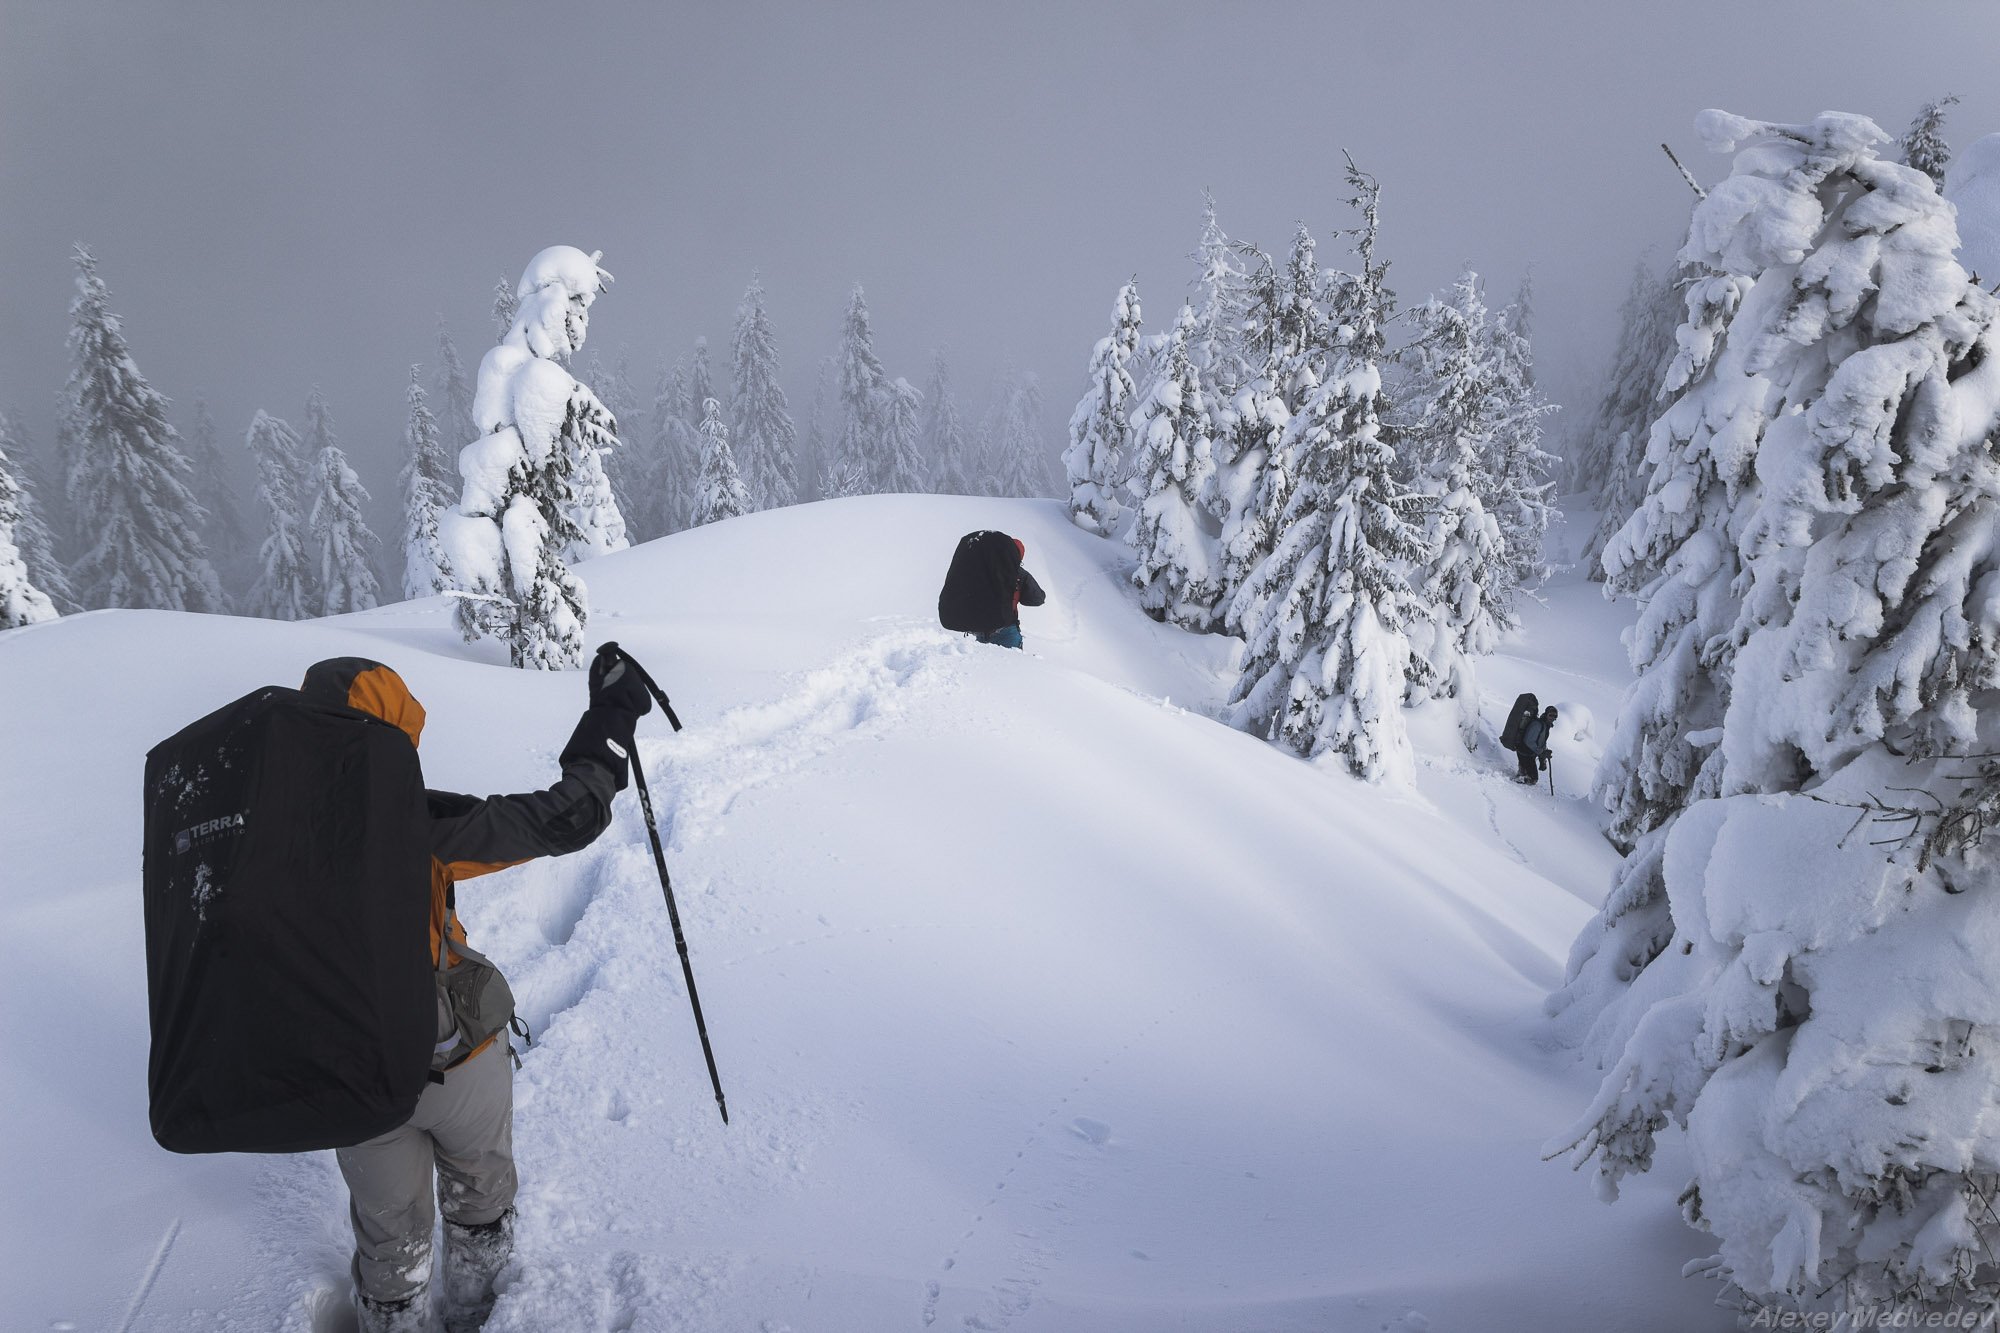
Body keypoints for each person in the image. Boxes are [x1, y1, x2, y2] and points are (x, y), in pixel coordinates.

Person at [299, 647, 652, 1333]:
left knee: (389, 1242)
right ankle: (479, 1316)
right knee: (480, 1199)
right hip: (450, 1062)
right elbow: (569, 814)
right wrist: (612, 712)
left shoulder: (270, 839)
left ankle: (393, 1319)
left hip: (351, 1086)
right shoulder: (416, 830)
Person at [937, 529, 1046, 649]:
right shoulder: (1018, 574)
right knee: (1012, 666)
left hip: (978, 629)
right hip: (1006, 630)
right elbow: (1037, 599)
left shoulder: (976, 571)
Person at [1515, 704, 1557, 785]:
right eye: (1550, 715)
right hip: (1524, 752)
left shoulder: (1545, 726)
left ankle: (1522, 770)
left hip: (1529, 753)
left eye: (1554, 716)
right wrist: (1541, 752)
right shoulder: (1537, 724)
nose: (1552, 718)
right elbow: (1529, 741)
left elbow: (1542, 742)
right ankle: (1517, 779)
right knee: (1533, 779)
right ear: (1546, 714)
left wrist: (1543, 758)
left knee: (1528, 773)